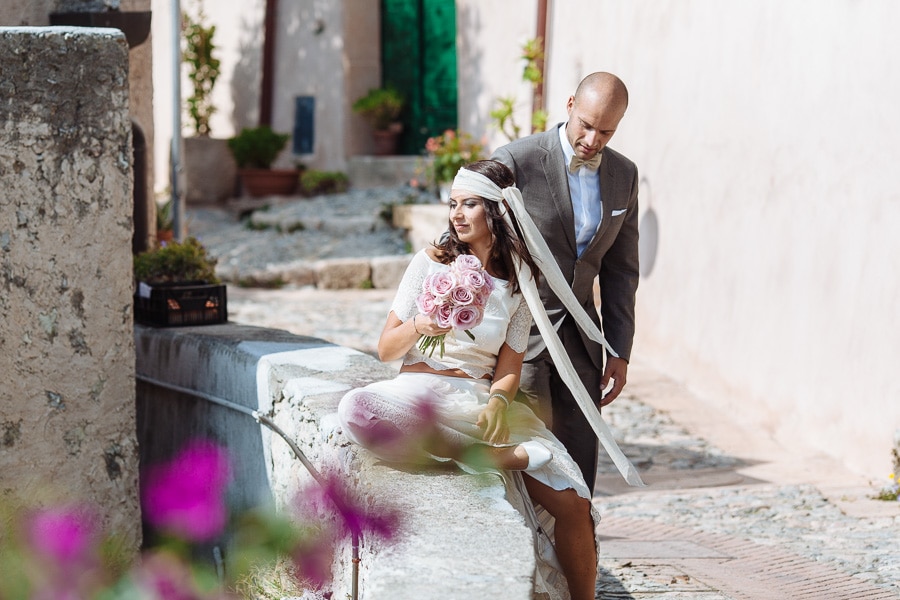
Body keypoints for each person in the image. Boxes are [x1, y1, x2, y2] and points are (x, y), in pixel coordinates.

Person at [337, 160, 602, 600]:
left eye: (470, 204)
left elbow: (510, 364)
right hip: (419, 391)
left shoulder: (518, 283)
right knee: (356, 409)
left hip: (479, 399)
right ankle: (489, 457)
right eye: (453, 204)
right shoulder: (428, 263)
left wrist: (499, 402)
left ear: (497, 210)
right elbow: (386, 350)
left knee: (573, 502)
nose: (457, 214)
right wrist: (422, 325)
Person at [492, 72, 640, 491]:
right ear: (570, 104)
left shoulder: (624, 176)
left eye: (606, 131)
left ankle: (578, 556)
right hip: (521, 339)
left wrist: (619, 349)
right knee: (526, 465)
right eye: (587, 125)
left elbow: (621, 271)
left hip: (582, 345)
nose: (593, 140)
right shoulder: (515, 160)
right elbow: (477, 246)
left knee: (578, 473)